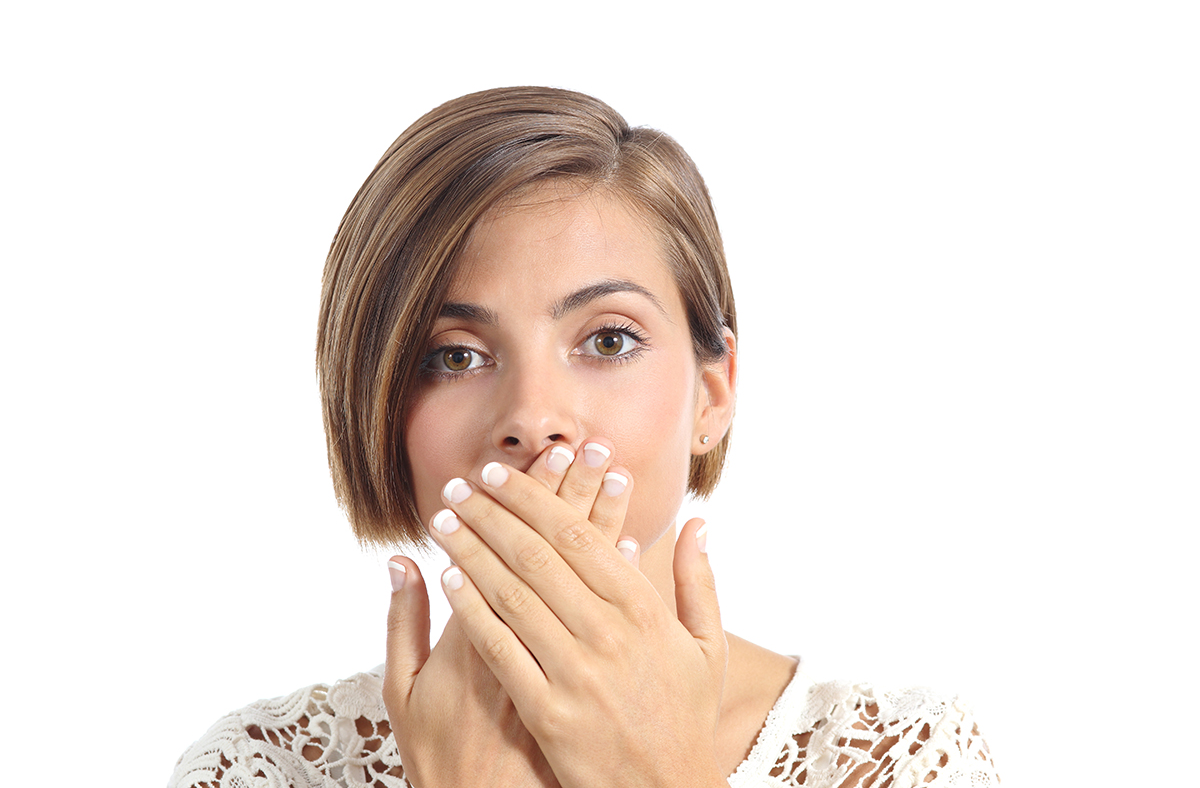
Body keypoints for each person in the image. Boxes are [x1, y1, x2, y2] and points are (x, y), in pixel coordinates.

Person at [168, 86, 1000, 788]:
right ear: (380, 408)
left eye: (607, 340)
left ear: (714, 395)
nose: (535, 417)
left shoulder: (900, 758)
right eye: (453, 356)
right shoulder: (264, 766)